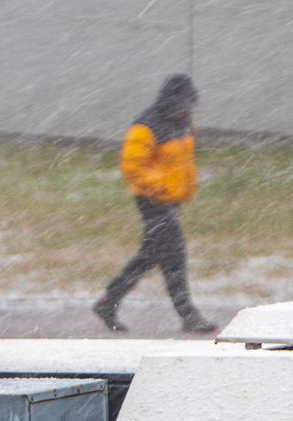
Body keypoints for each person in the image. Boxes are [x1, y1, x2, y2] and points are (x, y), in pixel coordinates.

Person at [93, 73, 217, 334]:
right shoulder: (146, 126)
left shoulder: (184, 123)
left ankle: (108, 301)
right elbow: (132, 167)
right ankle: (188, 315)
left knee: (150, 256)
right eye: (182, 104)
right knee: (175, 256)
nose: (186, 109)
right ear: (169, 100)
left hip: (171, 201)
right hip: (152, 201)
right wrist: (161, 186)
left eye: (189, 104)